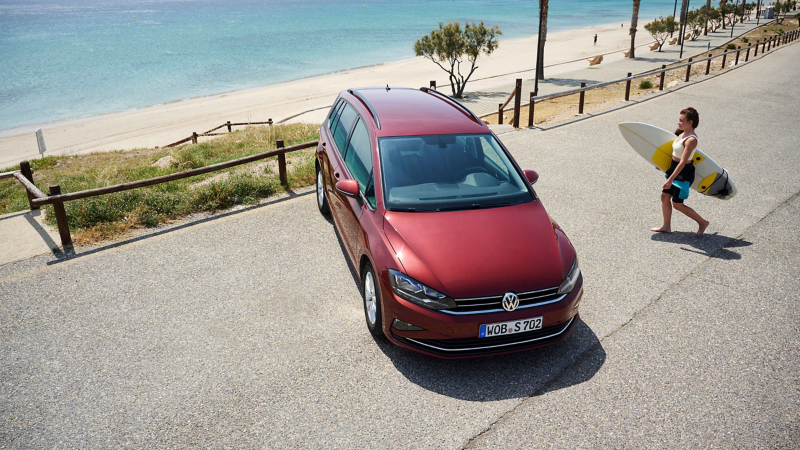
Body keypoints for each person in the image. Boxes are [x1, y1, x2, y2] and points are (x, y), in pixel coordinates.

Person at [651, 107, 710, 235]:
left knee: (677, 204)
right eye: (679, 120)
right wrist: (662, 165)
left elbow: (683, 162)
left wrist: (670, 179)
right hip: (674, 167)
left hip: (684, 172)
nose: (678, 123)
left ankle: (702, 222)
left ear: (690, 122)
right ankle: (666, 226)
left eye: (681, 120)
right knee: (664, 197)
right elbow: (673, 153)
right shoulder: (681, 133)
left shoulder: (691, 140)